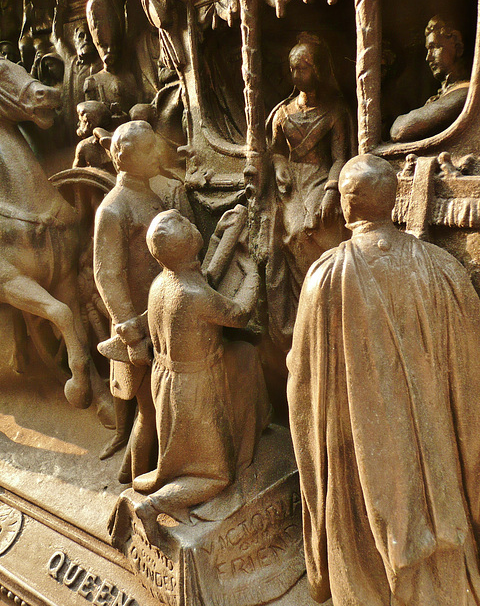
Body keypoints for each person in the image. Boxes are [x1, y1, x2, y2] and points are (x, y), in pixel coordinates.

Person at [287, 153, 480, 606]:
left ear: (347, 207)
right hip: (434, 448)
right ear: (391, 203)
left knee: (362, 520)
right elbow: (471, 368)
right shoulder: (441, 269)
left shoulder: (325, 278)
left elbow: (302, 379)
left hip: (357, 443)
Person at [133, 209, 270, 532]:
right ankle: (156, 505)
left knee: (245, 355)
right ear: (187, 244)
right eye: (187, 225)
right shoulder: (191, 295)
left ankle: (177, 471)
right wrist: (252, 273)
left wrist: (221, 238)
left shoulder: (163, 282)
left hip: (167, 380)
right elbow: (237, 315)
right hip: (194, 387)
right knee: (216, 473)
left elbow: (205, 276)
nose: (190, 222)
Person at [93, 121, 193, 478]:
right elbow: (107, 275)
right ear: (126, 158)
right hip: (137, 324)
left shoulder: (147, 193)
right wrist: (131, 334)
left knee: (157, 408)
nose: (158, 155)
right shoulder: (114, 209)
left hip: (158, 316)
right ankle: (137, 482)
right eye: (150, 150)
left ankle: (136, 471)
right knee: (150, 411)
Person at [266, 32, 353, 349]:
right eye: (293, 69)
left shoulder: (335, 111)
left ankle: (329, 306)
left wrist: (332, 190)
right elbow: (275, 151)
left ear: (318, 70)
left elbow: (341, 156)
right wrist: (278, 167)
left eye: (303, 67)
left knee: (322, 227)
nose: (297, 74)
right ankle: (306, 309)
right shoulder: (282, 113)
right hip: (292, 182)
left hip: (322, 177)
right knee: (295, 232)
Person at [390, 16, 469, 142]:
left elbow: (400, 130)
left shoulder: (464, 93)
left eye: (435, 47)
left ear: (458, 48)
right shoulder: (446, 93)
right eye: (428, 49)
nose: (428, 57)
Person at [73, 101, 112, 171]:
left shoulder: (85, 145)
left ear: (87, 122)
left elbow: (75, 173)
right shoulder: (117, 137)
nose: (78, 124)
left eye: (80, 121)